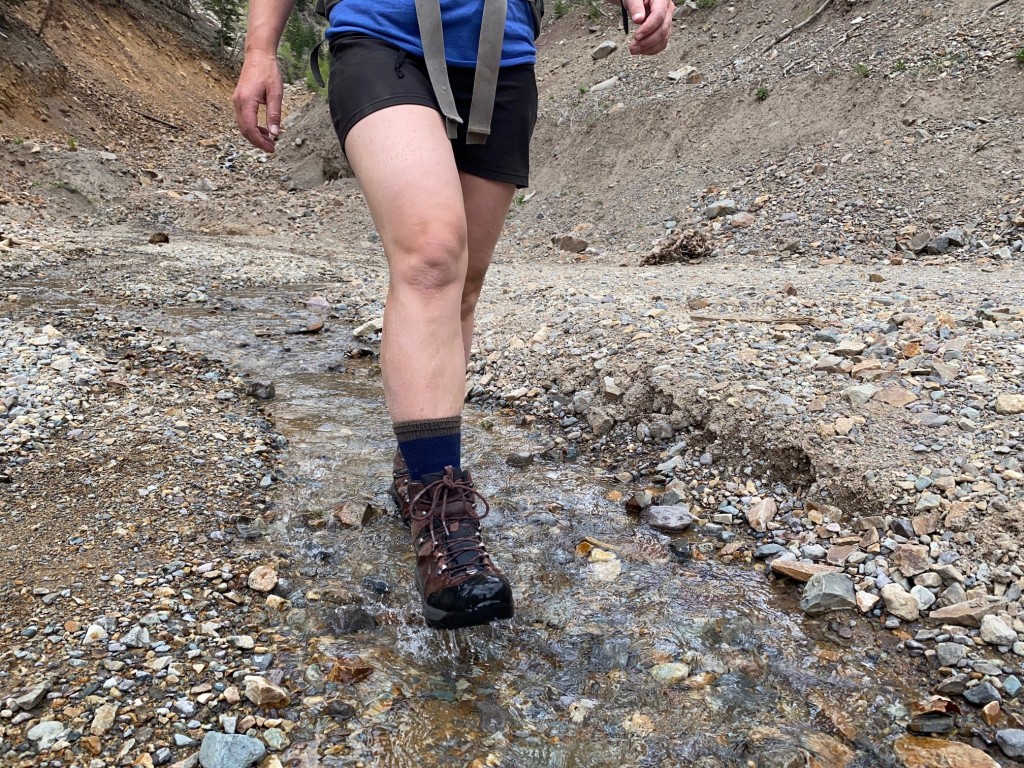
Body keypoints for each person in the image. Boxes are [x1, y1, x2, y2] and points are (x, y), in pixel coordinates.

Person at [233, 0, 674, 630]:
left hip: (502, 54)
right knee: (432, 257)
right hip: (383, 35)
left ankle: (416, 472)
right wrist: (260, 49)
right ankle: (445, 516)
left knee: (462, 285)